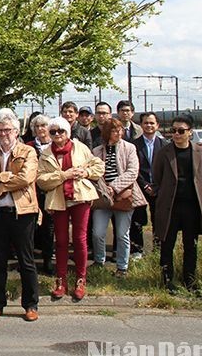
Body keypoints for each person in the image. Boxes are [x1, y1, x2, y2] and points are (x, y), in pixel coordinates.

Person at [0, 110, 40, 322]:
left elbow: (26, 178)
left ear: (16, 131)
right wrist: (2, 177)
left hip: (22, 213)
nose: (4, 134)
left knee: (26, 261)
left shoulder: (28, 152)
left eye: (8, 130)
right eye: (0, 130)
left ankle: (30, 304)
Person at [37, 117, 104, 301]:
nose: (57, 135)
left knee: (80, 239)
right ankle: (61, 280)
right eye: (53, 132)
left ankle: (81, 279)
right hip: (58, 200)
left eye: (61, 131)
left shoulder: (80, 147)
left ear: (68, 132)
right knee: (60, 241)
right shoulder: (45, 153)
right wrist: (63, 175)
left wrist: (86, 172)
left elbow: (98, 165)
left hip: (80, 197)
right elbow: (41, 180)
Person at [154, 115, 202, 293]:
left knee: (191, 245)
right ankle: (167, 280)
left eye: (181, 131)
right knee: (167, 243)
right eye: (173, 131)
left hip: (192, 207)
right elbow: (158, 176)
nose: (176, 134)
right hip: (170, 206)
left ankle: (190, 280)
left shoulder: (200, 153)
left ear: (190, 133)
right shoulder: (164, 153)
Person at [92, 118, 147, 277]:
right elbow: (94, 173)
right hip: (103, 198)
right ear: (107, 132)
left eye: (120, 130)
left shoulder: (129, 148)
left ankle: (122, 266)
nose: (118, 133)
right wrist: (105, 188)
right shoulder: (97, 151)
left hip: (123, 195)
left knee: (123, 233)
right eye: (114, 130)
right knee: (98, 232)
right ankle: (99, 261)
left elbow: (132, 172)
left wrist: (114, 187)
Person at [131, 112, 166, 256]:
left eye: (152, 123)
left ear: (157, 125)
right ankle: (137, 250)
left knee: (158, 219)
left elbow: (167, 169)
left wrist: (156, 186)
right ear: (141, 125)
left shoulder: (165, 145)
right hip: (140, 188)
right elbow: (133, 168)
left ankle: (157, 249)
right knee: (138, 220)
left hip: (159, 189)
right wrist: (144, 184)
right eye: (146, 123)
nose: (149, 125)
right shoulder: (134, 145)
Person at [26, 114, 54, 275]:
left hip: (50, 191)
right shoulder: (29, 146)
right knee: (31, 226)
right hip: (32, 191)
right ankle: (29, 261)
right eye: (37, 126)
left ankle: (48, 258)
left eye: (44, 125)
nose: (41, 129)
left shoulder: (54, 146)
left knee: (49, 227)